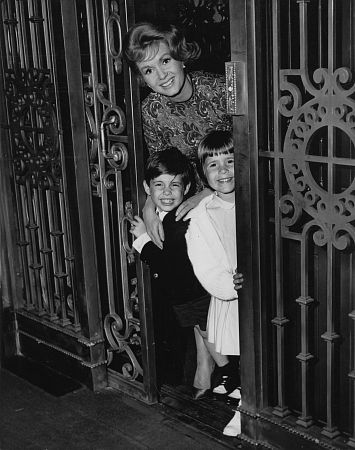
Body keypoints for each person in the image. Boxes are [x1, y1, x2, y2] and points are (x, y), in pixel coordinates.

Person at [123, 22, 232, 248]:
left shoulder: (220, 90)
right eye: (149, 70)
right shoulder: (151, 111)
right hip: (188, 203)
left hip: (236, 193)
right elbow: (161, 169)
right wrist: (148, 208)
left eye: (165, 61)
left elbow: (250, 155)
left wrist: (208, 195)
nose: (161, 75)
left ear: (181, 58)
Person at [129, 147, 214, 396]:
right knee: (202, 330)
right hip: (186, 295)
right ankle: (207, 371)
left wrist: (142, 240)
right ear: (148, 188)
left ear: (186, 189)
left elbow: (166, 265)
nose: (166, 192)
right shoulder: (162, 210)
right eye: (159, 186)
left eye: (174, 186)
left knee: (210, 336)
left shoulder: (181, 221)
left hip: (196, 292)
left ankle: (227, 374)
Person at [185, 130, 243, 434]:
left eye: (230, 161)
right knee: (240, 354)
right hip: (231, 294)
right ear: (202, 173)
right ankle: (244, 407)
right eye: (213, 164)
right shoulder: (202, 215)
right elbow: (203, 262)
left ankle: (251, 406)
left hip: (262, 292)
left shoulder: (255, 199)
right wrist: (227, 284)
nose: (223, 171)